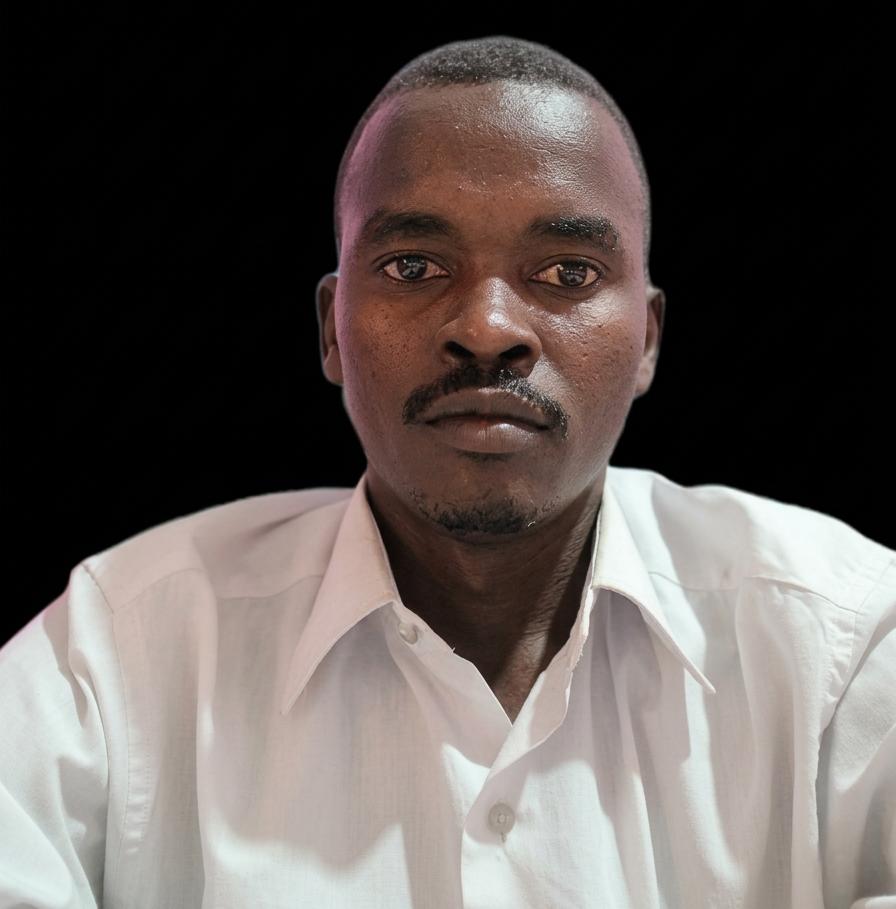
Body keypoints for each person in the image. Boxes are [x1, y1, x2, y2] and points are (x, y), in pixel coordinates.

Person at [0, 34, 893, 909]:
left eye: (567, 271)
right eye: (414, 266)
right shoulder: (116, 654)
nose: (489, 327)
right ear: (331, 328)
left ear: (648, 340)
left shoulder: (843, 644)